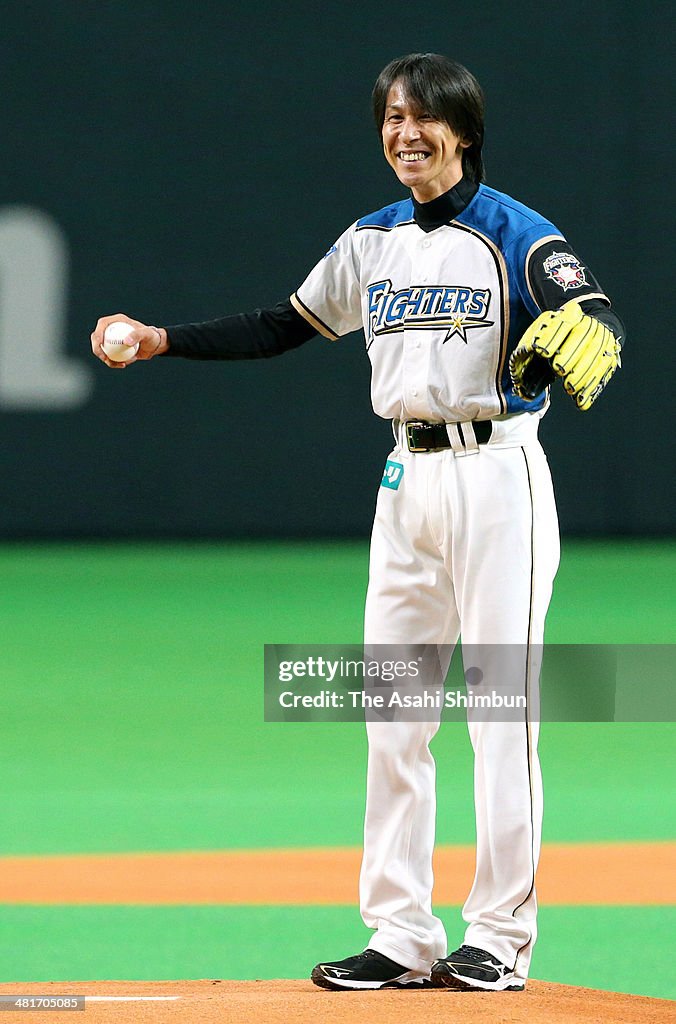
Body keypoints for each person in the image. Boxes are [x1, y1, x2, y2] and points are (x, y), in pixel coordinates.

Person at [91, 52, 624, 993]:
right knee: (393, 714)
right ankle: (401, 933)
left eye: (423, 117)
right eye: (390, 117)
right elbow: (284, 323)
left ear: (463, 130)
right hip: (403, 483)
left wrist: (599, 329)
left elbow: (591, 311)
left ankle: (499, 938)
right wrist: (164, 339)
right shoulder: (371, 240)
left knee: (501, 717)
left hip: (499, 478)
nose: (404, 133)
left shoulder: (517, 234)